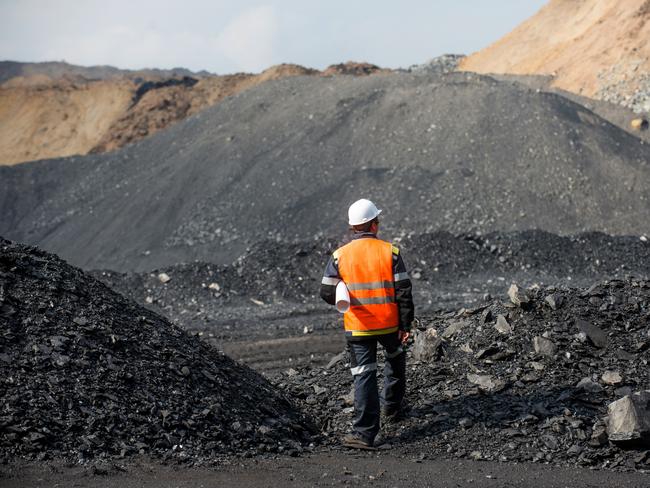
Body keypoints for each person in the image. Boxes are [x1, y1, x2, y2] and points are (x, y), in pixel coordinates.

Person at [320, 198, 414, 449]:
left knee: (364, 375)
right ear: (373, 226)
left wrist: (342, 289)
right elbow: (404, 291)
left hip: (358, 327)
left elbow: (326, 293)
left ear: (353, 228)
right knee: (395, 359)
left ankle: (364, 434)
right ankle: (392, 408)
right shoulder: (390, 252)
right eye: (377, 221)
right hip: (389, 325)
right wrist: (406, 325)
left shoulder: (339, 256)